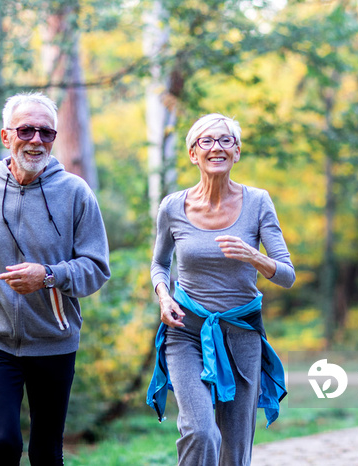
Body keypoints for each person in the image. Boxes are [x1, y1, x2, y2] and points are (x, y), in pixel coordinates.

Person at [0, 92, 110, 465]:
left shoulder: (76, 193)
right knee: (2, 443)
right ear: (6, 136)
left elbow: (96, 268)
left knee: (46, 452)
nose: (36, 140)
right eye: (26, 130)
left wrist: (48, 276)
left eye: (45, 133)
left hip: (54, 338)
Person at [146, 113, 295, 465]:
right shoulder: (172, 207)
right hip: (186, 331)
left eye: (226, 140)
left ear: (237, 152)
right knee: (200, 431)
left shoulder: (258, 202)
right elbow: (159, 264)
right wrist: (164, 296)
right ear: (192, 153)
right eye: (207, 141)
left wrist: (254, 257)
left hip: (241, 333)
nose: (217, 147)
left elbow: (287, 274)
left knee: (235, 450)